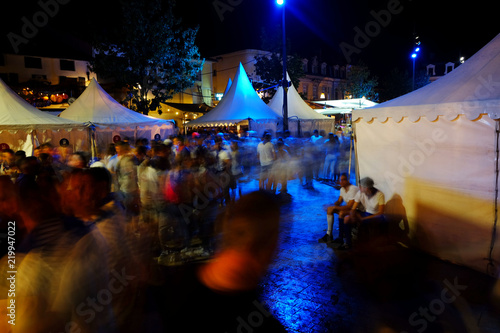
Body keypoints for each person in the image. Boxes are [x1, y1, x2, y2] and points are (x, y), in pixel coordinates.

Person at [340, 177, 385, 250]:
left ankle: (366, 246)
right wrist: (353, 215)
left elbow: (381, 212)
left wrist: (364, 218)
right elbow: (353, 208)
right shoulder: (360, 193)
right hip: (365, 213)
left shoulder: (380, 195)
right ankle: (348, 243)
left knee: (364, 223)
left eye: (361, 186)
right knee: (347, 218)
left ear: (366, 188)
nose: (359, 187)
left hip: (375, 216)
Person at [318, 173, 358, 244]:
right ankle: (329, 234)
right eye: (340, 180)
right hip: (348, 209)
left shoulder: (353, 189)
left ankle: (341, 235)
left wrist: (334, 206)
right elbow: (339, 201)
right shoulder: (342, 189)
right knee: (330, 209)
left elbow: (349, 206)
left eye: (343, 180)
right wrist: (331, 205)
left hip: (355, 210)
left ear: (348, 180)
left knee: (340, 212)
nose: (341, 182)